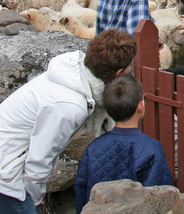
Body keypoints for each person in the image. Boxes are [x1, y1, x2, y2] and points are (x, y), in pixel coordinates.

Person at [0, 30, 137, 214]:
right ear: (119, 72)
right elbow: (40, 159)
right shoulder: (70, 105)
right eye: (130, 67)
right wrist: (37, 199)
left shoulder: (73, 72)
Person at [74, 75, 173, 212]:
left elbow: (81, 188)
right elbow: (160, 193)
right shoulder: (153, 149)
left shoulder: (93, 148)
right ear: (141, 106)